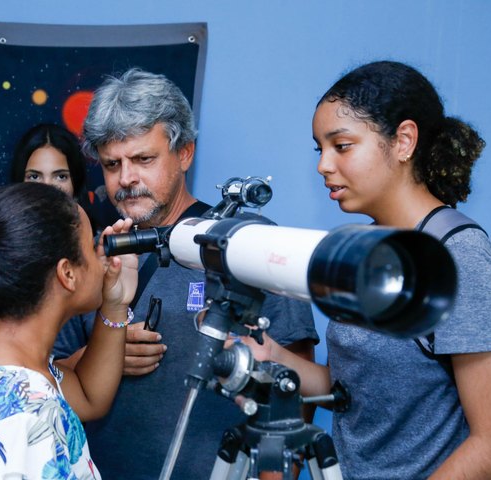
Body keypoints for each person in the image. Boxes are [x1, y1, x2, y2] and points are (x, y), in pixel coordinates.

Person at [244, 60, 491, 479]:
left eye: (342, 145)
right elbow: (353, 390)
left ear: (404, 141)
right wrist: (274, 357)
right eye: (320, 149)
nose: (323, 165)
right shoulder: (364, 247)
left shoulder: (458, 258)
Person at [53, 68, 319, 479]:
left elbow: (295, 387)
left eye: (143, 159)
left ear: (184, 153)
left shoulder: (248, 246)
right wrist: (101, 357)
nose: (126, 179)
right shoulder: (92, 250)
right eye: (111, 164)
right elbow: (45, 377)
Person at [0, 182, 137, 478]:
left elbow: (89, 397)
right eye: (90, 246)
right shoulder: (21, 416)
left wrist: (114, 304)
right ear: (67, 273)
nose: (102, 261)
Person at [10, 123, 100, 232]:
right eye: (34, 177)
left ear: (75, 184)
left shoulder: (98, 243)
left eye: (61, 177)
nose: (47, 187)